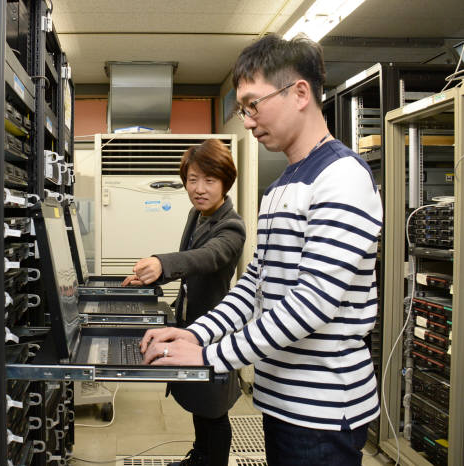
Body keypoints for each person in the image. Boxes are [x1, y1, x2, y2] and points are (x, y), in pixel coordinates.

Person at [139, 33, 382, 466]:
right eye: (243, 109)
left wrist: (209, 355)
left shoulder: (343, 178)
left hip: (321, 411)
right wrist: (196, 332)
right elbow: (254, 284)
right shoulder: (282, 186)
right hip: (283, 401)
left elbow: (311, 304)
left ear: (300, 92)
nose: (247, 121)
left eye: (253, 104)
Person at [122, 138, 246, 466]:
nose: (200, 188)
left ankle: (211, 461)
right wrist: (153, 277)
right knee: (198, 401)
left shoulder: (232, 226)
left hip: (216, 328)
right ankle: (200, 456)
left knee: (214, 410)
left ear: (225, 182)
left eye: (209, 180)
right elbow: (189, 261)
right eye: (193, 180)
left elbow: (206, 257)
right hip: (191, 325)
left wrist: (163, 263)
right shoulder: (197, 214)